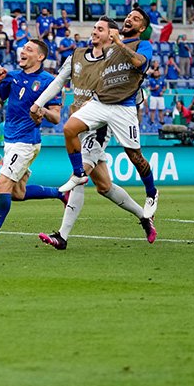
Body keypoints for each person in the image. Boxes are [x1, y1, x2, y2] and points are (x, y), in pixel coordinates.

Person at [34, 18, 157, 249]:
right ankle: (144, 217)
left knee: (80, 178)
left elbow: (131, 83)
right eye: (94, 28)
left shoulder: (115, 57)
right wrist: (38, 103)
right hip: (81, 122)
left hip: (99, 128)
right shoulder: (77, 55)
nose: (94, 32)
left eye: (100, 29)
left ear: (112, 34)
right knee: (104, 187)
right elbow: (59, 81)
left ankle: (62, 237)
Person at [57, 9, 159, 218]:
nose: (130, 18)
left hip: (123, 108)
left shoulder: (142, 45)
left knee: (135, 156)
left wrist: (119, 43)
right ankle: (78, 174)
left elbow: (139, 63)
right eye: (129, 16)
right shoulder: (110, 49)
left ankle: (152, 192)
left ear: (142, 28)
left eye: (136, 18)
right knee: (69, 129)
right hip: (101, 103)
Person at [0, 40, 65, 247]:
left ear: (40, 57)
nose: (23, 51)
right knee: (17, 193)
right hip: (10, 140)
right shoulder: (11, 76)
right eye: (23, 48)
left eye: (29, 49)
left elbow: (56, 118)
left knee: (2, 184)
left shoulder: (49, 81)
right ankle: (61, 193)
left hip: (27, 141)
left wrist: (41, 110)